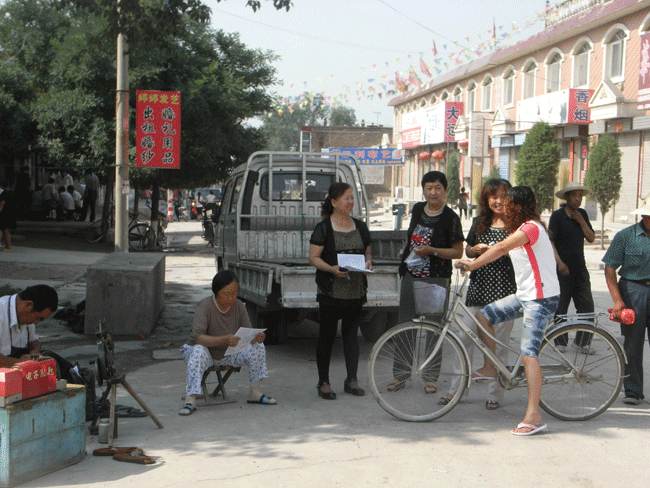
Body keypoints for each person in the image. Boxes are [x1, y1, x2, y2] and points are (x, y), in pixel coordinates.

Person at [457, 186, 560, 436]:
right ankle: (491, 367)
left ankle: (533, 414)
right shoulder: (522, 228)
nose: (503, 205)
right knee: (484, 316)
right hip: (526, 296)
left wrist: (472, 264)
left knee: (528, 353)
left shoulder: (530, 228)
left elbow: (501, 248)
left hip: (541, 299)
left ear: (520, 207)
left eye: (509, 203)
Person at [440, 178, 516, 410]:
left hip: (505, 290)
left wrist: (499, 251)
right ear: (486, 199)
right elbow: (469, 248)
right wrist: (475, 250)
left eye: (503, 196)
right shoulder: (480, 221)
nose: (498, 201)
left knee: (498, 344)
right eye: (494, 196)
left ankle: (495, 394)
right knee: (464, 341)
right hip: (478, 288)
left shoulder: (516, 225)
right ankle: (456, 390)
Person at [391, 171, 464, 393]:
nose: (433, 192)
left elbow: (457, 251)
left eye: (438, 188)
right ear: (423, 190)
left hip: (436, 278)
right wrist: (406, 251)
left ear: (445, 191)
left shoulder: (451, 217)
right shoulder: (417, 210)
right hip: (411, 275)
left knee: (433, 328)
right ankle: (400, 375)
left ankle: (430, 376)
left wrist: (432, 251)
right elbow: (411, 235)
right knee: (405, 325)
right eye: (429, 187)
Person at [179, 270, 276, 415]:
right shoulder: (204, 306)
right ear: (217, 292)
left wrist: (256, 337)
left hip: (229, 352)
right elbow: (198, 337)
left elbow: (248, 331)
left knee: (258, 347)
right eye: (226, 293)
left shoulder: (238, 306)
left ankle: (254, 392)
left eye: (234, 292)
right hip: (206, 352)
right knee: (199, 349)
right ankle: (191, 398)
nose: (231, 297)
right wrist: (224, 339)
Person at [309, 182, 372, 400]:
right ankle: (323, 381)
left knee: (351, 336)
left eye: (352, 198)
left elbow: (367, 253)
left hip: (354, 291)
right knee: (326, 335)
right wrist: (331, 269)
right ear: (334, 202)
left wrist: (368, 265)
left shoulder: (361, 227)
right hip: (331, 291)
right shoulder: (324, 228)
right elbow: (313, 258)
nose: (350, 202)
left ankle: (351, 379)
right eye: (346, 198)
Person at [602, 200, 650, 406]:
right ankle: (633, 390)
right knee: (632, 344)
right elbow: (610, 268)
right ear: (644, 216)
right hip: (633, 291)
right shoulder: (626, 236)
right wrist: (617, 300)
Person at [549, 182, 595, 352]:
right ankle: (560, 342)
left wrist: (581, 221)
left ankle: (582, 342)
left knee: (586, 307)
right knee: (561, 307)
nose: (577, 199)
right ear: (566, 197)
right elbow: (551, 242)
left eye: (580, 196)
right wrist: (559, 262)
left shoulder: (582, 214)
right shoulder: (557, 216)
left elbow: (591, 237)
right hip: (562, 270)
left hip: (580, 269)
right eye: (574, 195)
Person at [0, 285, 58, 367]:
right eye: (38, 318)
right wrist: (18, 362)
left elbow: (33, 340)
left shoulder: (26, 315)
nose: (35, 322)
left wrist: (35, 351)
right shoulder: (1, 312)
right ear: (28, 305)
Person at [0, 180, 17, 252]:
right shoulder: (12, 193)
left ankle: (8, 246)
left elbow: (1, 205)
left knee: (4, 230)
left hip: (4, 214)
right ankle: (8, 246)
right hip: (11, 213)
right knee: (5, 230)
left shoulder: (4, 193)